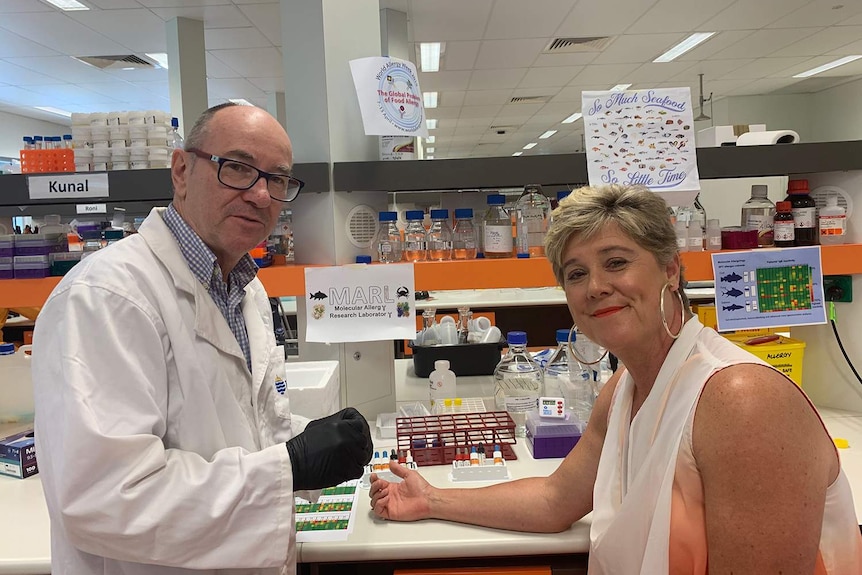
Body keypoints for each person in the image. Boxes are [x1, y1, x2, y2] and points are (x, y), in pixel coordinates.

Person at [371, 184, 862, 574]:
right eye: (575, 273)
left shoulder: (740, 400)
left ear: (671, 269)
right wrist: (431, 498)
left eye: (617, 262)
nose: (596, 286)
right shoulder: (626, 387)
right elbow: (554, 500)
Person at [32, 102, 373, 575]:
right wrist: (290, 465)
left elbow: (240, 426)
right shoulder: (106, 296)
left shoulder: (246, 288)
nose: (260, 194)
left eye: (277, 179)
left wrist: (312, 441)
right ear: (181, 171)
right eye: (237, 168)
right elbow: (105, 498)